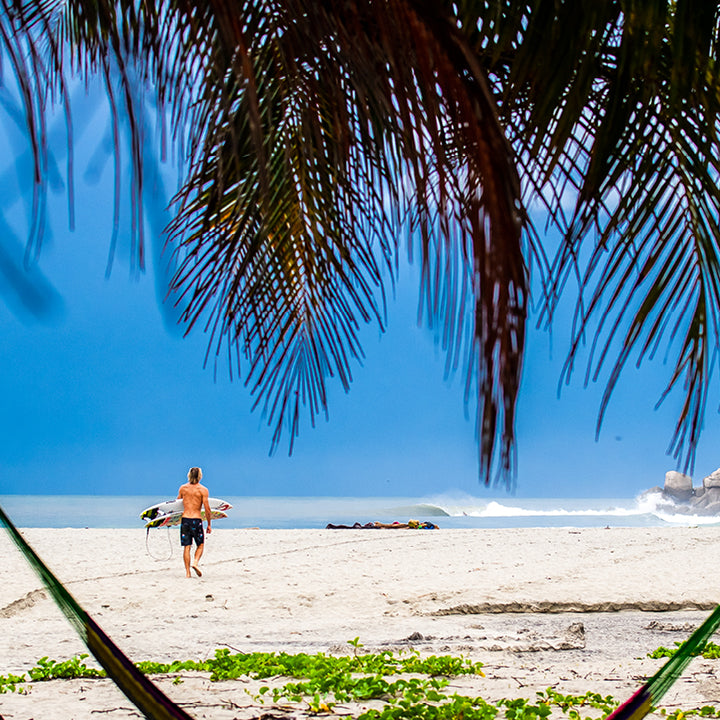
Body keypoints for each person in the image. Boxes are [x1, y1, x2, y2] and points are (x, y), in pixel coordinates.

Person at [177, 467, 212, 577]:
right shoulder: (203, 490)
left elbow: (177, 505)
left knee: (187, 547)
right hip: (196, 520)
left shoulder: (183, 488)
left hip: (185, 519)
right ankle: (195, 562)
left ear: (189, 475)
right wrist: (209, 524)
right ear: (200, 476)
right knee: (200, 545)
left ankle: (188, 573)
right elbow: (207, 508)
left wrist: (173, 520)